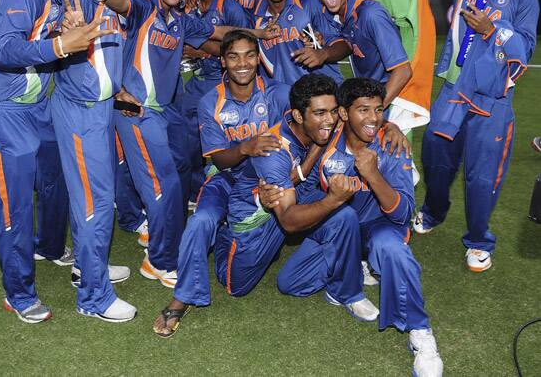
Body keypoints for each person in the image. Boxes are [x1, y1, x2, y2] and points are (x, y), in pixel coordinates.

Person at [83, 0, 279, 290]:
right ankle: (158, 261)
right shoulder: (144, 7)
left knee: (169, 181)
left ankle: (158, 242)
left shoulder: (180, 20)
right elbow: (119, 2)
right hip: (135, 112)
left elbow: (217, 30)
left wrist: (254, 37)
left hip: (158, 113)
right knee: (163, 186)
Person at [0, 0, 106, 324]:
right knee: (12, 206)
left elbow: (108, 1)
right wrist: (62, 43)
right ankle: (19, 293)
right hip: (2, 112)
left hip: (38, 108)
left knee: (57, 179)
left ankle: (48, 245)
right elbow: (5, 52)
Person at [412, 0, 539, 272]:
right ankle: (434, 212)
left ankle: (480, 240)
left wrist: (490, 30)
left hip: (493, 105)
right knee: (435, 159)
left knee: (482, 179)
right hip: (452, 91)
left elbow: (523, 49)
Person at [284, 78, 442, 377]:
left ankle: (421, 334)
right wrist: (330, 200)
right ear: (343, 113)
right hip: (341, 229)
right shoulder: (325, 141)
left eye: (379, 110)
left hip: (380, 228)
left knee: (392, 248)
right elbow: (304, 195)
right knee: (291, 283)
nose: (373, 118)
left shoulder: (391, 145)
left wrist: (372, 174)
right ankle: (350, 272)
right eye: (363, 110)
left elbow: (403, 214)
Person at [153, 30, 290, 337]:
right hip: (226, 178)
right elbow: (220, 161)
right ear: (222, 61)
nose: (242, 63)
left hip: (264, 182)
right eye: (233, 56)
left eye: (249, 55)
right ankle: (183, 297)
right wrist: (245, 147)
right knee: (201, 220)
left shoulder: (279, 93)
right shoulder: (210, 101)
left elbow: (312, 124)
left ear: (258, 58)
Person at [213, 74, 378, 320]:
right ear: (299, 116)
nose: (330, 120)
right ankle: (222, 235)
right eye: (320, 113)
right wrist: (332, 199)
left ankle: (349, 290)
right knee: (237, 287)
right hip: (256, 221)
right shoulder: (273, 151)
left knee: (344, 217)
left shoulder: (317, 126)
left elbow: (365, 118)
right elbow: (289, 221)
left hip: (291, 198)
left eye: (333, 112)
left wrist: (392, 128)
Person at [52, 0, 148, 323]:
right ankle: (93, 297)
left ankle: (85, 269)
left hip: (102, 108)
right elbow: (63, 34)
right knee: (94, 201)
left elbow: (126, 18)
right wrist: (72, 20)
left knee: (91, 198)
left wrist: (119, 89)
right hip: (79, 109)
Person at [180, 0, 251, 200]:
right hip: (197, 80)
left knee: (218, 141)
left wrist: (202, 50)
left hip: (221, 82)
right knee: (186, 138)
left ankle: (224, 191)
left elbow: (242, 44)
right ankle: (195, 191)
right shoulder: (192, 6)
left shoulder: (228, 6)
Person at [311, 0, 412, 112]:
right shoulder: (339, 13)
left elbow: (403, 71)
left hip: (391, 102)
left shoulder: (371, 14)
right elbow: (347, 43)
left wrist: (375, 111)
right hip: (370, 97)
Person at [251, 0, 349, 86]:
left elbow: (344, 44)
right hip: (284, 100)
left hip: (323, 96)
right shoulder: (255, 16)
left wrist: (322, 53)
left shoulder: (308, 3)